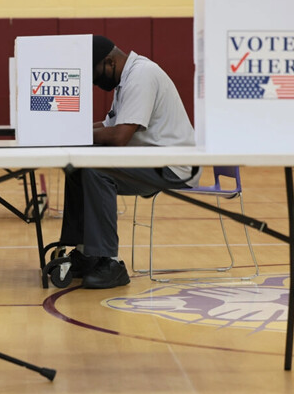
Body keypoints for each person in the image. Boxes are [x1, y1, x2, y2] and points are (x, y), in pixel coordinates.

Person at [59, 35, 201, 289]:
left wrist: (75, 134)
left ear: (110, 62)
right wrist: (69, 130)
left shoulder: (142, 75)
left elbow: (119, 137)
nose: (94, 82)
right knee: (76, 167)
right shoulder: (125, 80)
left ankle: (111, 262)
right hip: (151, 160)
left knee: (95, 170)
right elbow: (108, 125)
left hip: (174, 167)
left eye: (94, 74)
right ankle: (86, 252)